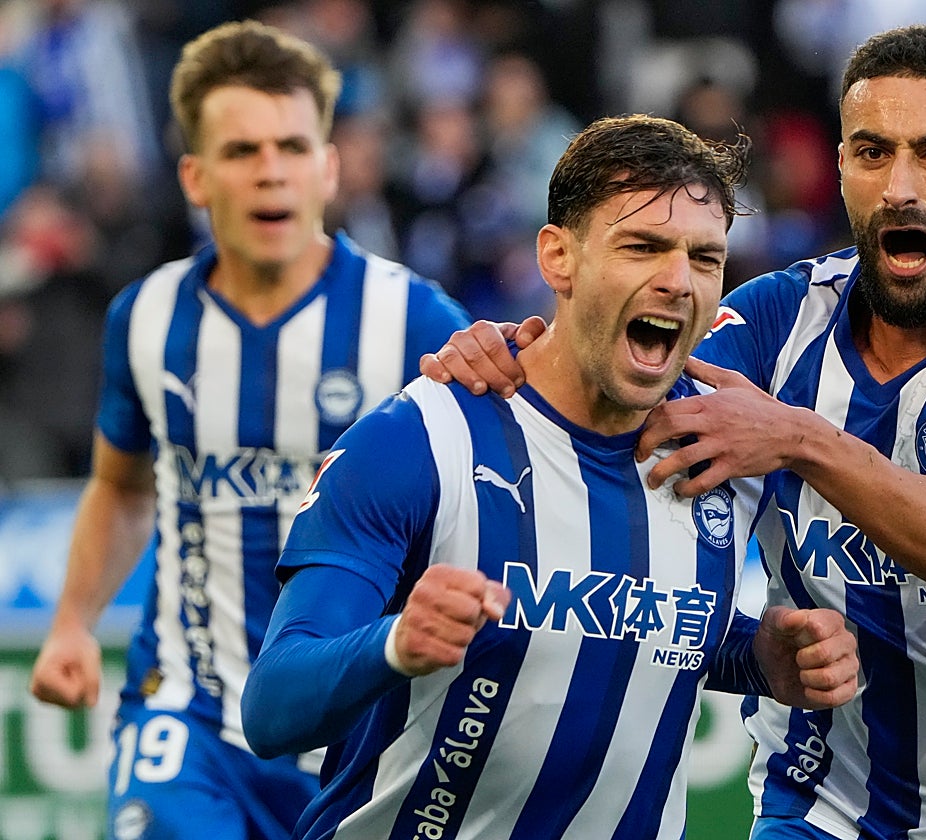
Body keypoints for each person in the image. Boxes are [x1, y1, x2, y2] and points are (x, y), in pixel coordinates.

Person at [421, 25, 926, 840]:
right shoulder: (774, 320)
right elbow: (615, 388)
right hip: (822, 803)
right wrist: (511, 352)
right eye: (872, 153)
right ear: (840, 167)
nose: (900, 185)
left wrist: (801, 439)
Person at [240, 114, 860, 840]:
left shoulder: (720, 447)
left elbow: (635, 615)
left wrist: (756, 656)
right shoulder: (420, 439)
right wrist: (396, 643)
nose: (676, 281)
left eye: (703, 257)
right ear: (557, 258)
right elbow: (273, 707)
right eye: (643, 247)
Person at [27, 20, 474, 840]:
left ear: (329, 166)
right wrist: (70, 625)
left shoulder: (411, 318)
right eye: (241, 152)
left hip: (351, 726)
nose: (270, 172)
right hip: (186, 712)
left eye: (291, 147)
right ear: (196, 176)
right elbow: (121, 489)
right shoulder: (146, 317)